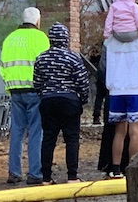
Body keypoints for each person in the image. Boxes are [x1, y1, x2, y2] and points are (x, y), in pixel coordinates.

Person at [33, 22, 89, 185]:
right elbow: (82, 82)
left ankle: (46, 177)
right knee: (71, 139)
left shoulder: (41, 58)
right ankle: (72, 176)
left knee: (48, 138)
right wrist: (82, 100)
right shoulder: (73, 57)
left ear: (50, 39)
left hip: (48, 101)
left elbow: (37, 82)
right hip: (69, 101)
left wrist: (44, 94)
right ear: (66, 39)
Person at [0, 7, 49, 185]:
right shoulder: (40, 38)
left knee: (17, 132)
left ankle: (14, 172)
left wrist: (10, 85)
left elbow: (3, 66)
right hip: (34, 91)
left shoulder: (10, 39)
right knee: (35, 132)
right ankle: (34, 173)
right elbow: (45, 64)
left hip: (15, 91)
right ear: (37, 21)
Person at [102, 21, 138, 179]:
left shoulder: (109, 41)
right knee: (135, 132)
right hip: (137, 89)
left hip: (116, 90)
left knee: (119, 132)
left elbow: (103, 66)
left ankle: (115, 169)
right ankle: (133, 169)